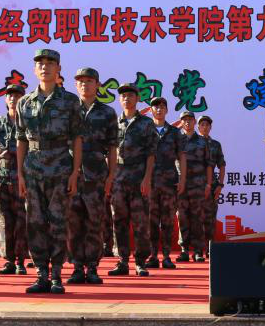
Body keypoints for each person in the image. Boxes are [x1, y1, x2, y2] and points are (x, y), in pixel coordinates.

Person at [15, 48, 84, 294]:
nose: (45, 67)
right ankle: (41, 273)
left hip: (60, 167)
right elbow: (21, 139)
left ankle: (56, 274)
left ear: (58, 69)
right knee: (35, 223)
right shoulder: (24, 102)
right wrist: (20, 174)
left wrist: (75, 172)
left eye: (50, 63)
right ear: (35, 70)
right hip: (33, 168)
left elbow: (77, 138)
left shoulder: (70, 101)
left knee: (58, 222)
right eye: (40, 64)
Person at [68, 67, 117, 285]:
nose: (84, 84)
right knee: (74, 223)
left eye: (89, 81)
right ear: (75, 85)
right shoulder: (68, 110)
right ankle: (77, 267)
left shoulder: (107, 113)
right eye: (80, 81)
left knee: (95, 222)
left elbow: (113, 147)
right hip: (71, 174)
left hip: (96, 174)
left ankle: (93, 267)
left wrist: (111, 176)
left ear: (97, 84)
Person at [110, 83, 157, 277]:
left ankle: (140, 262)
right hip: (118, 178)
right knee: (118, 220)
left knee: (140, 222)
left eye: (130, 95)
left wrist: (147, 178)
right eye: (123, 96)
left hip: (139, 177)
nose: (126, 98)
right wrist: (109, 178)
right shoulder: (114, 122)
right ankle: (122, 260)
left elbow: (151, 153)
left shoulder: (146, 123)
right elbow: (108, 152)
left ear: (137, 99)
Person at [0, 75, 29, 275]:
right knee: (3, 219)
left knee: (22, 219)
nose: (13, 99)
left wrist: (12, 151)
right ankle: (8, 260)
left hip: (22, 177)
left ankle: (21, 260)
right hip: (2, 176)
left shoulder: (27, 122)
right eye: (10, 96)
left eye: (17, 96)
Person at [147, 97, 186, 269]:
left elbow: (182, 157)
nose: (159, 109)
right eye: (156, 107)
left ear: (167, 110)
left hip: (169, 183)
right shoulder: (145, 130)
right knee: (151, 221)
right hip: (150, 183)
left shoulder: (175, 132)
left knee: (168, 221)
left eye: (162, 107)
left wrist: (182, 179)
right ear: (151, 110)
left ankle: (166, 256)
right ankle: (152, 256)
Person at [177, 111, 211, 262]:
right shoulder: (177, 139)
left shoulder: (202, 142)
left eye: (190, 119)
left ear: (194, 122)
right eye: (184, 120)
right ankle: (184, 249)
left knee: (197, 217)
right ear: (181, 122)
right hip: (180, 185)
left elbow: (209, 165)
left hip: (198, 184)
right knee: (182, 216)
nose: (187, 122)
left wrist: (208, 184)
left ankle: (198, 251)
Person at [200, 116, 226, 251]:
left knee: (210, 218)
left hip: (212, 186)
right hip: (194, 185)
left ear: (210, 127)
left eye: (207, 125)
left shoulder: (215, 145)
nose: (205, 127)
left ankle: (210, 249)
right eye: (202, 124)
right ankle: (198, 250)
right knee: (196, 218)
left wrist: (220, 185)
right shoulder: (191, 142)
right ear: (198, 127)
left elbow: (222, 165)